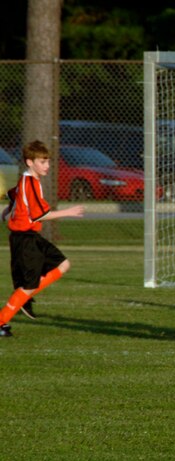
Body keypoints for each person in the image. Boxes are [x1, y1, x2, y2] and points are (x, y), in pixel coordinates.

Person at [0, 140, 84, 337]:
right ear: (30, 162)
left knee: (63, 264)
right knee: (29, 286)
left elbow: (13, 195)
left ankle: (25, 297)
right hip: (25, 239)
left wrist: (8, 210)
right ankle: (7, 315)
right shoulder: (30, 183)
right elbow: (38, 215)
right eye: (42, 162)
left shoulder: (26, 180)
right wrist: (68, 212)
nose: (46, 166)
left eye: (47, 162)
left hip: (30, 237)